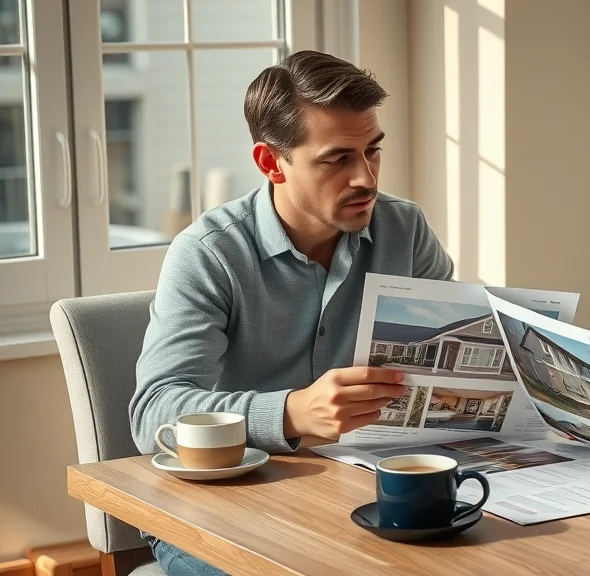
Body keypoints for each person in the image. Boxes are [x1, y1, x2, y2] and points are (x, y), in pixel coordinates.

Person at [129, 50, 453, 575]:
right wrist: (293, 412)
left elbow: (449, 358)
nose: (366, 178)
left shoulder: (404, 230)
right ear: (269, 162)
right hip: (221, 511)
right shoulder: (209, 253)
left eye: (373, 152)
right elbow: (154, 413)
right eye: (337, 159)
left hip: (362, 488)